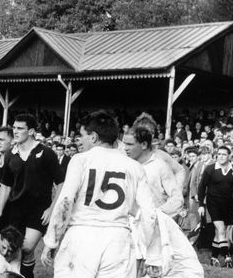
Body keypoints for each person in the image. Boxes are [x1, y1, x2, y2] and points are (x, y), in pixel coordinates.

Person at [39, 110, 159, 278]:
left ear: (93, 137)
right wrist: (153, 254)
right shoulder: (134, 167)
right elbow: (149, 213)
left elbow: (65, 201)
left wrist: (51, 241)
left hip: (82, 235)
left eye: (82, 136)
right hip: (118, 239)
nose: (80, 141)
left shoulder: (80, 160)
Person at [0, 115, 64, 278]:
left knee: (27, 247)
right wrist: (0, 209)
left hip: (38, 210)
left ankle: (27, 274)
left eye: (20, 128)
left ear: (30, 131)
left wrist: (52, 208)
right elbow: (7, 185)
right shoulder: (10, 154)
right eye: (14, 128)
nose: (15, 131)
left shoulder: (46, 153)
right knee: (12, 249)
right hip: (16, 209)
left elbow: (61, 183)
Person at [197, 145, 233, 268]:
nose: (221, 156)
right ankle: (227, 256)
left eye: (224, 154)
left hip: (227, 204)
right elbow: (202, 187)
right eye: (219, 154)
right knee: (221, 230)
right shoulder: (210, 169)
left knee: (219, 233)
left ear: (229, 156)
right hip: (213, 203)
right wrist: (201, 205)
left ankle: (213, 258)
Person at [123, 126, 184, 217]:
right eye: (124, 144)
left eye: (130, 144)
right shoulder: (123, 165)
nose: (125, 148)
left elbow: (177, 199)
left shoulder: (160, 164)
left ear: (144, 144)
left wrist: (155, 214)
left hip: (152, 226)